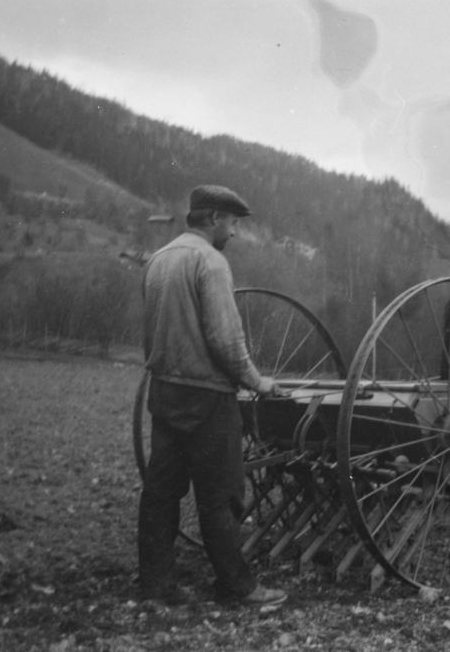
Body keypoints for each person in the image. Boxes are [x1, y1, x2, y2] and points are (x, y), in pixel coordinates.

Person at [138, 185, 288, 607]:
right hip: (208, 400)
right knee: (221, 497)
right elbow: (226, 338)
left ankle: (155, 584)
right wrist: (257, 381)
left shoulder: (158, 260)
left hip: (164, 393)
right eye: (234, 223)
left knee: (161, 493)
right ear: (215, 219)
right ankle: (237, 586)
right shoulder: (211, 262)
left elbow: (148, 337)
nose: (235, 233)